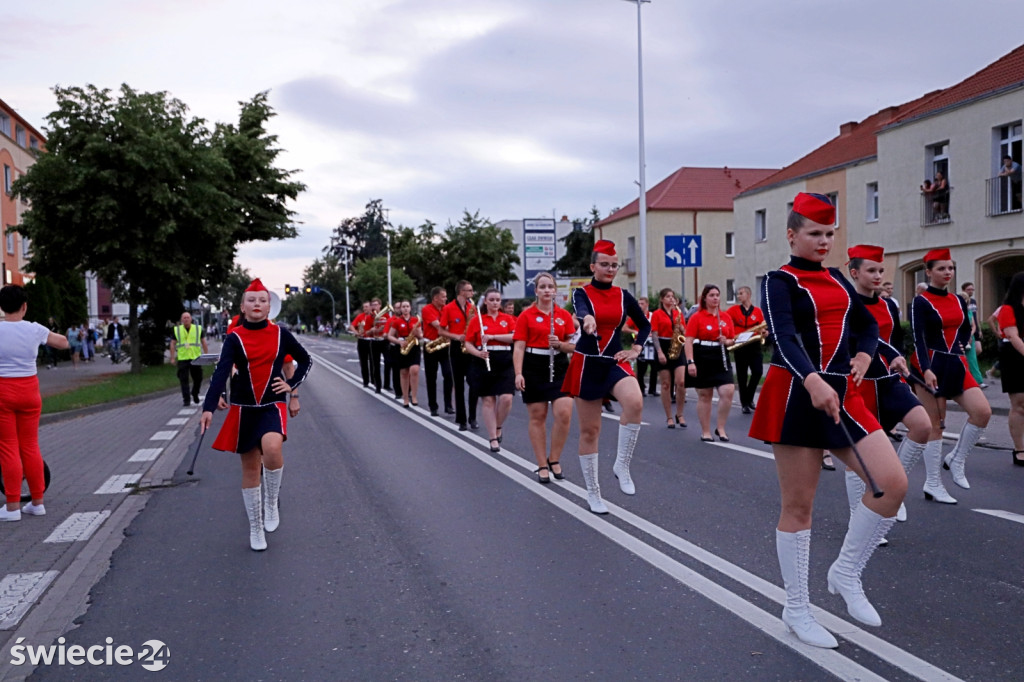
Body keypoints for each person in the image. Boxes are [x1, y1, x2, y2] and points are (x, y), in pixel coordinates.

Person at [749, 193, 906, 648]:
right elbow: (782, 334)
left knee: (891, 485)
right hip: (796, 393)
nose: (823, 241)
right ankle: (796, 608)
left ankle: (846, 571)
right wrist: (812, 380)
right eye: (814, 234)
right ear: (792, 234)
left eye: (829, 234)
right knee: (799, 506)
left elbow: (868, 322)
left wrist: (863, 351)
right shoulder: (779, 280)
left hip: (845, 391)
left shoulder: (839, 280)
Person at [200, 279, 311, 551]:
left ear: (269, 305)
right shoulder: (234, 337)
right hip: (243, 408)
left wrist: (292, 386)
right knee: (250, 469)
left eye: (262, 300)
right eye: (252, 300)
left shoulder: (281, 334)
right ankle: (255, 528)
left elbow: (305, 359)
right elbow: (221, 373)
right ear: (243, 306)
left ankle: (272, 502)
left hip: (272, 404)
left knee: (272, 449)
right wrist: (208, 406)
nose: (257, 304)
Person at [845, 245, 932, 524]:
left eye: (881, 270)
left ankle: (895, 490)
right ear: (854, 272)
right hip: (860, 382)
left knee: (922, 425)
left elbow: (895, 338)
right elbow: (861, 336)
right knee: (858, 454)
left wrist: (900, 358)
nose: (878, 276)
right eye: (871, 270)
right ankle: (859, 515)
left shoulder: (887, 305)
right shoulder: (846, 305)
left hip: (889, 380)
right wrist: (890, 354)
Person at [562, 240, 650, 513]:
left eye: (614, 265)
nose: (610, 269)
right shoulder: (582, 293)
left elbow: (644, 324)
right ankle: (593, 492)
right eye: (604, 265)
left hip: (614, 360)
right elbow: (582, 312)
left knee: (635, 402)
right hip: (588, 363)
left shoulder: (624, 295)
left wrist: (635, 348)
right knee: (590, 431)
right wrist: (587, 320)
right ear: (593, 266)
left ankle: (622, 465)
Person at [910, 249, 992, 499]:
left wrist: (961, 343)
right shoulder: (921, 302)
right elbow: (918, 338)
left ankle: (956, 458)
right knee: (935, 425)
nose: (947, 272)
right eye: (941, 268)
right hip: (930, 364)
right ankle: (933, 483)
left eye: (950, 268)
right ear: (929, 272)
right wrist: (925, 369)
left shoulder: (958, 299)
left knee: (982, 412)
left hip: (956, 363)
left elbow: (967, 329)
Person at [0, 286, 70, 521]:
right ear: (25, 306)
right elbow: (63, 343)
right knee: (30, 445)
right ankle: (37, 502)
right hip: (30, 391)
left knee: (8, 446)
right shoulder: (34, 329)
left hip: (3, 391)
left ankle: (11, 507)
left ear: (1, 307)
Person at [513, 273, 576, 482]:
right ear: (537, 291)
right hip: (534, 365)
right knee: (538, 416)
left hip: (558, 364)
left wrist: (559, 344)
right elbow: (519, 346)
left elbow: (572, 346)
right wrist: (519, 373)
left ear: (555, 290)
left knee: (564, 413)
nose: (547, 290)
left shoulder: (564, 316)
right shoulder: (526, 316)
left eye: (550, 287)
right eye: (543, 287)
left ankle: (554, 458)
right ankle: (541, 464)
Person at [464, 289, 516, 452]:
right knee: (488, 400)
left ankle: (498, 425)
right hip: (483, 359)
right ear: (485, 302)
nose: (495, 303)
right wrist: (478, 353)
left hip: (504, 359)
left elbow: (515, 337)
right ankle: (493, 437)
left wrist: (493, 336)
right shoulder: (476, 320)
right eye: (491, 300)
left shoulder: (508, 319)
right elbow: (468, 343)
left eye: (497, 300)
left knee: (507, 398)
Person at [684, 284, 736, 442]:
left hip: (720, 355)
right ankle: (705, 431)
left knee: (728, 391)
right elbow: (689, 340)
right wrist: (690, 362)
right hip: (702, 355)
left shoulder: (725, 317)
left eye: (717, 295)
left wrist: (726, 340)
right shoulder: (697, 317)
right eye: (712, 295)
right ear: (705, 298)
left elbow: (732, 339)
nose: (715, 298)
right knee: (705, 395)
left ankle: (720, 427)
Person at [440, 281, 479, 431]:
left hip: (471, 347)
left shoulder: (472, 307)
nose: (472, 293)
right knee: (459, 385)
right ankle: (462, 419)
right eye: (470, 290)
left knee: (474, 383)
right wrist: (457, 336)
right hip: (457, 348)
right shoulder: (448, 308)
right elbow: (441, 331)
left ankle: (473, 417)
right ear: (461, 292)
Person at [995, 273, 1024, 466]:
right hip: (1015, 358)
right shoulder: (1008, 309)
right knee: (1020, 405)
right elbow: (1013, 337)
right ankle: (1020, 449)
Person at [650, 288, 688, 428]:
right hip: (663, 345)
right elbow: (654, 334)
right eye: (667, 296)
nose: (671, 299)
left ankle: (680, 414)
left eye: (672, 296)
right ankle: (669, 417)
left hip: (677, 346)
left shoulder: (678, 313)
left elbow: (684, 330)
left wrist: (684, 330)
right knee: (666, 384)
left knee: (681, 382)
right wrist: (659, 352)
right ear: (662, 299)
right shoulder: (657, 314)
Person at [726, 286, 767, 413]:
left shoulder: (758, 311)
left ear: (748, 295)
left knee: (758, 372)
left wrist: (764, 332)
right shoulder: (733, 310)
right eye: (737, 294)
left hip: (754, 345)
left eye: (741, 293)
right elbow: (726, 323)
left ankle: (749, 397)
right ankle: (744, 403)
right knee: (742, 376)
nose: (738, 296)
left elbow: (762, 327)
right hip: (740, 345)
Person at [420, 287, 454, 417]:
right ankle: (433, 406)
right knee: (431, 377)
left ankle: (448, 405)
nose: (446, 299)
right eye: (443, 297)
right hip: (432, 345)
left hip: (445, 345)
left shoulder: (446, 309)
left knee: (448, 374)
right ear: (435, 298)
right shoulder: (427, 309)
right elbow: (439, 326)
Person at [385, 300, 422, 408]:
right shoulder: (396, 321)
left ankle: (414, 396)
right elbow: (389, 336)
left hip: (414, 346)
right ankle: (405, 398)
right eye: (403, 307)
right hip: (402, 346)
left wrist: (418, 334)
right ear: (401, 309)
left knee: (414, 370)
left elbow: (420, 335)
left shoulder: (415, 320)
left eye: (407, 306)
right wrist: (399, 342)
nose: (405, 308)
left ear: (410, 308)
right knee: (404, 372)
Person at [169, 312, 209, 407]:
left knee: (198, 378)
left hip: (196, 357)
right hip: (183, 358)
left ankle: (195, 393)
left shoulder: (198, 329)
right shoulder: (177, 330)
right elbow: (172, 343)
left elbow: (203, 342)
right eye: (184, 318)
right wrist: (172, 357)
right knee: (184, 380)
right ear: (181, 320)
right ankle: (186, 400)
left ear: (191, 319)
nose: (186, 319)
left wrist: (207, 356)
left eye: (188, 317)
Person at [625, 297, 656, 397]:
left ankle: (653, 389)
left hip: (652, 343)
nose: (640, 306)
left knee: (654, 367)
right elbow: (624, 327)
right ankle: (641, 388)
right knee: (641, 367)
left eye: (642, 303)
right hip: (641, 343)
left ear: (647, 304)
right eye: (638, 304)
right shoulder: (636, 316)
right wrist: (634, 332)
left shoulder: (653, 315)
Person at [959, 282, 986, 387]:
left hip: (971, 335)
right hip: (961, 337)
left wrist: (977, 330)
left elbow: (974, 320)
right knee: (962, 358)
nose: (971, 291)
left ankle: (977, 380)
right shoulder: (958, 310)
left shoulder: (971, 306)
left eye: (972, 289)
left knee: (973, 357)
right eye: (969, 289)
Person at [368, 298, 390, 394]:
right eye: (373, 305)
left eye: (376, 304)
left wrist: (384, 329)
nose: (374, 306)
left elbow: (390, 328)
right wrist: (372, 330)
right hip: (375, 341)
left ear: (380, 305)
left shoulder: (386, 316)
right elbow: (366, 332)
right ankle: (378, 385)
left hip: (384, 341)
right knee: (375, 364)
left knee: (388, 362)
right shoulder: (369, 317)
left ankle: (387, 384)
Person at [352, 302, 373, 388]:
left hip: (371, 340)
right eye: (364, 307)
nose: (365, 308)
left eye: (367, 307)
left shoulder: (373, 316)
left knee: (373, 362)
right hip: (362, 340)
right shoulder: (360, 316)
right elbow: (352, 326)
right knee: (363, 362)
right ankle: (365, 381)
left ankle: (374, 380)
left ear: (370, 307)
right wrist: (356, 333)